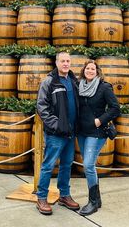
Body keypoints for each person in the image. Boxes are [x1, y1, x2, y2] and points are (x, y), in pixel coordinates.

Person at [36, 51, 80, 215]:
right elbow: (42, 107)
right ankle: (41, 198)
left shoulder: (73, 80)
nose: (66, 64)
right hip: (56, 133)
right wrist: (56, 125)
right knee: (48, 166)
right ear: (56, 63)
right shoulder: (49, 81)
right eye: (62, 61)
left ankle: (64, 195)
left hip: (71, 132)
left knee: (66, 165)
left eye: (68, 61)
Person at [77, 59, 121, 216]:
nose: (90, 71)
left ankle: (93, 202)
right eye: (87, 68)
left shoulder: (104, 87)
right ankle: (98, 198)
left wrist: (100, 120)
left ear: (97, 71)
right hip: (82, 131)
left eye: (92, 69)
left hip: (97, 132)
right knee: (90, 166)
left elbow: (116, 108)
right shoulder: (79, 86)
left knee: (88, 165)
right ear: (84, 71)